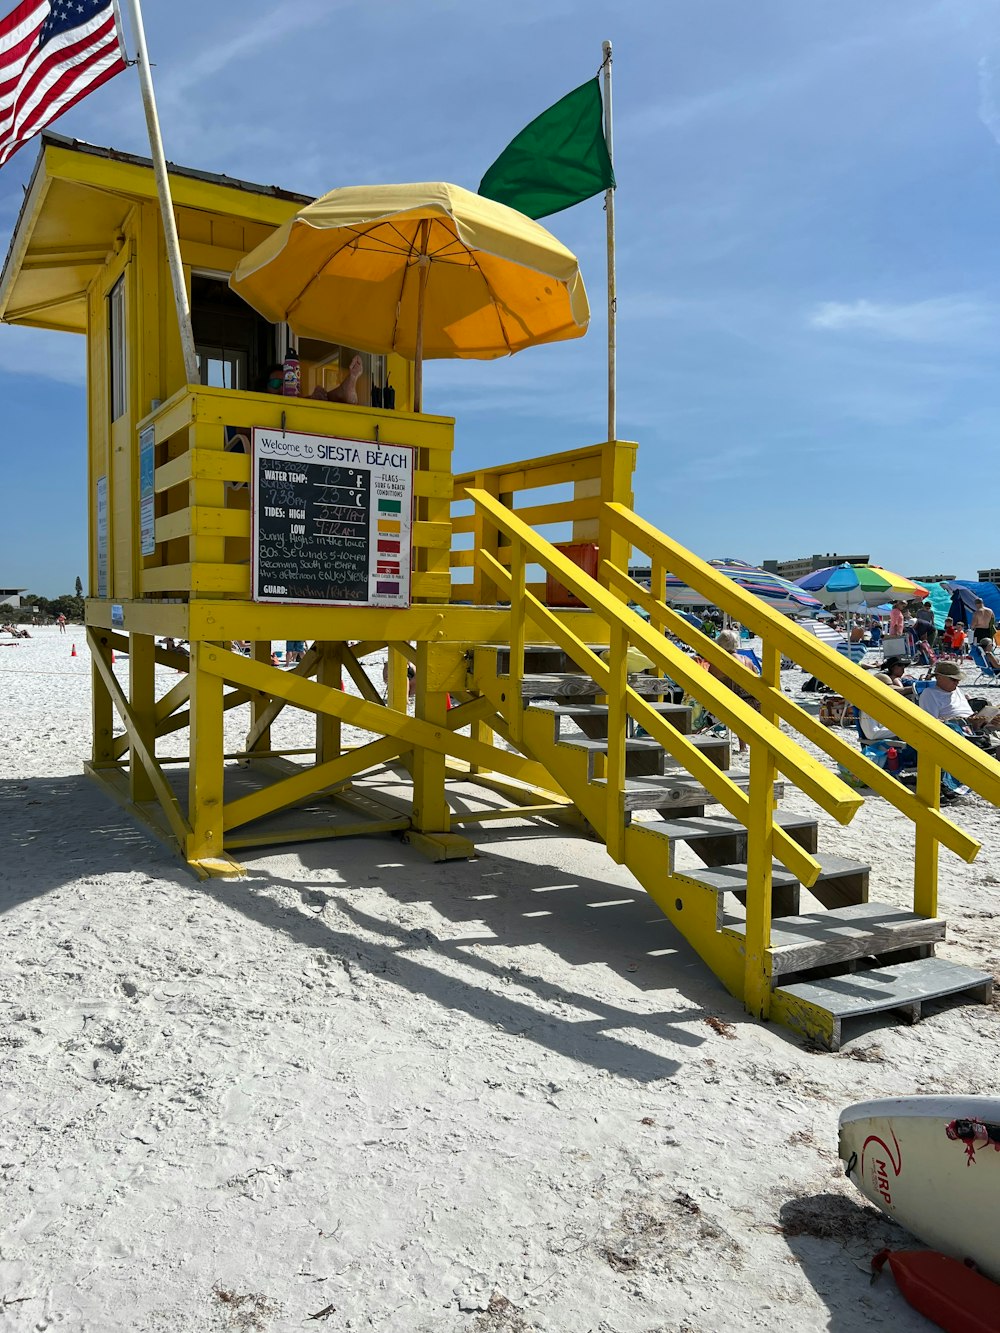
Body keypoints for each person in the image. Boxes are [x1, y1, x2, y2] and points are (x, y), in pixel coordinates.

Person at [706, 627, 760, 753]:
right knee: (741, 707)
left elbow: (711, 681)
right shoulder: (747, 660)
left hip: (729, 705)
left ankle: (694, 734)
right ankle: (743, 746)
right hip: (753, 705)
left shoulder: (718, 663)